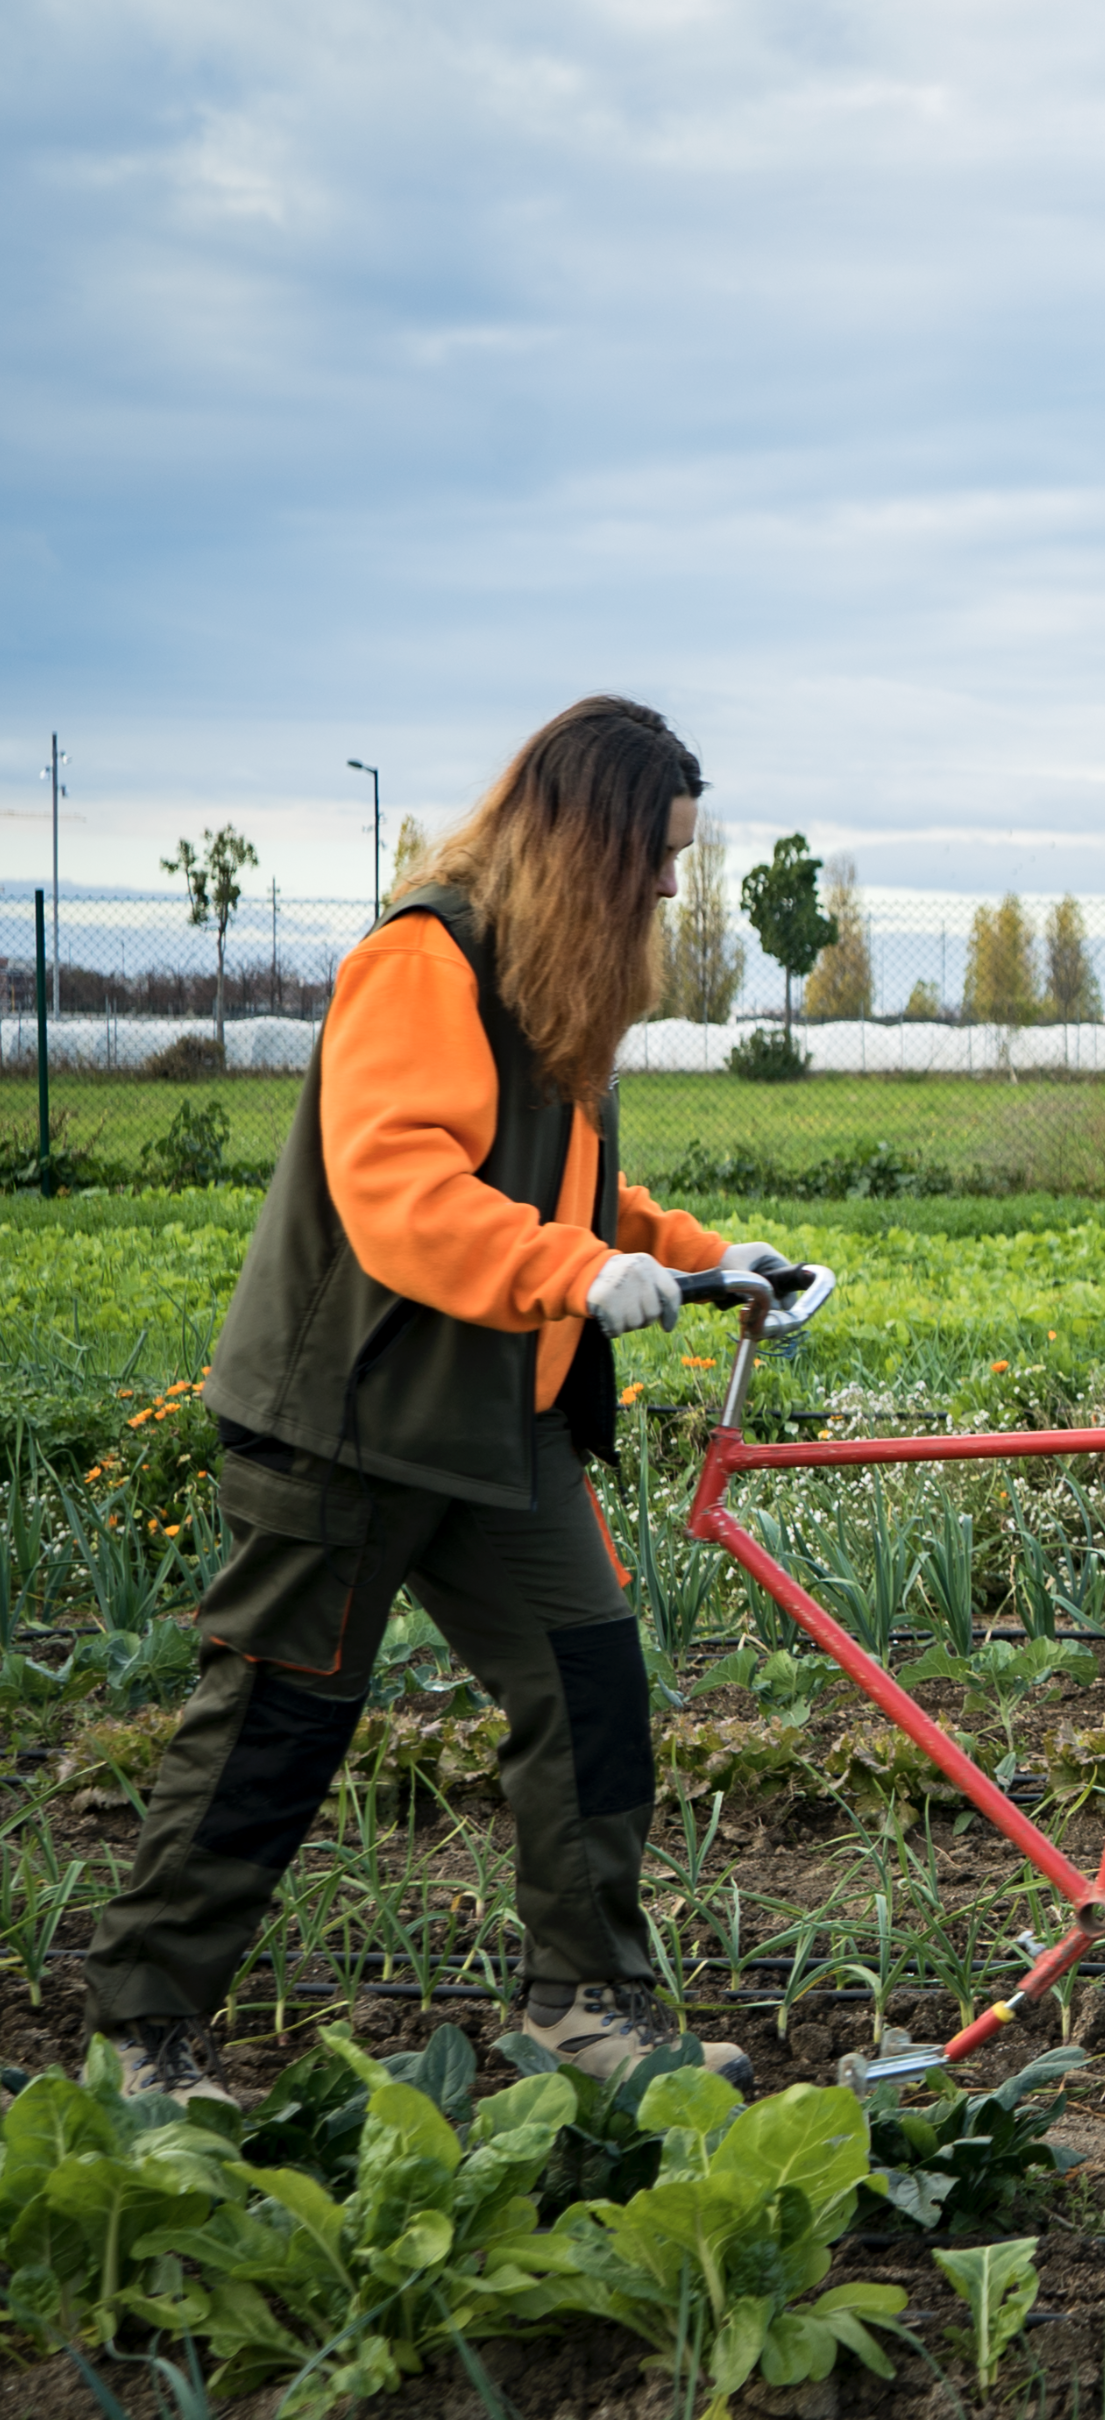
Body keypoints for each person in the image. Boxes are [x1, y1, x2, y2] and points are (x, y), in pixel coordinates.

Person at [86, 696, 784, 2105]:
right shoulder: (424, 958)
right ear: (586, 839)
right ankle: (140, 2043)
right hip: (353, 1413)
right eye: (654, 853)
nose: (667, 882)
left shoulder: (551, 977)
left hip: (497, 1424)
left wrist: (702, 1258)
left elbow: (568, 1190)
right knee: (277, 1722)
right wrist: (578, 1274)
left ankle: (585, 2006)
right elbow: (405, 1192)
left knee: (589, 1687)